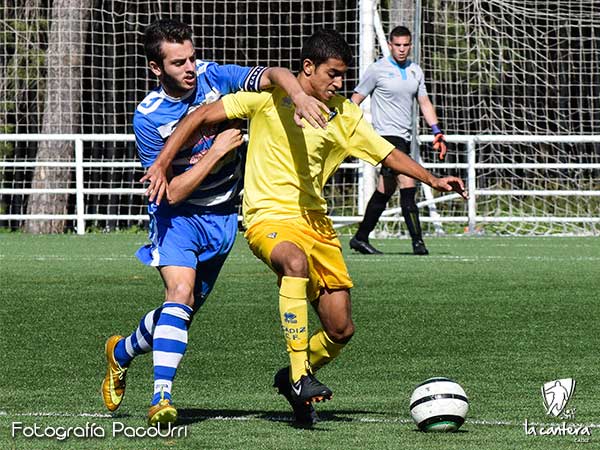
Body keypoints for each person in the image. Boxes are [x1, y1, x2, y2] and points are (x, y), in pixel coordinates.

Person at [151, 29, 466, 426]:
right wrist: (163, 161)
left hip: (316, 224)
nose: (339, 83)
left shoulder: (344, 114)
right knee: (293, 263)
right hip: (267, 218)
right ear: (308, 68)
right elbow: (199, 116)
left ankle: (290, 378)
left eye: (342, 76)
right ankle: (300, 376)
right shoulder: (267, 100)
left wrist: (432, 179)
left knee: (341, 327)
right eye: (332, 74)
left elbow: (387, 153)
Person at [101, 18, 330, 427]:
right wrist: (216, 150)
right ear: (157, 69)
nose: (190, 67)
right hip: (178, 218)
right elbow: (171, 192)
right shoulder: (149, 117)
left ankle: (120, 352)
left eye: (191, 57)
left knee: (181, 310)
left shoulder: (213, 76)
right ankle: (161, 399)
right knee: (180, 292)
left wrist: (296, 94)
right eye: (177, 63)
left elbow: (274, 74)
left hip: (223, 218)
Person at [349, 25, 447, 256]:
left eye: (405, 45)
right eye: (397, 45)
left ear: (410, 45)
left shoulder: (415, 71)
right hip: (386, 137)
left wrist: (437, 131)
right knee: (408, 183)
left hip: (405, 136)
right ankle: (418, 244)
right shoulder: (377, 70)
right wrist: (342, 124)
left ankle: (360, 238)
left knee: (385, 189)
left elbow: (424, 102)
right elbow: (355, 98)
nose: (401, 50)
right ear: (390, 45)